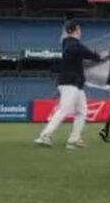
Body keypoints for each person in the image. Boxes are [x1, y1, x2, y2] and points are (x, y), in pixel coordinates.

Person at [36, 21, 104, 149]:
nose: (81, 31)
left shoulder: (68, 44)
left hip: (74, 83)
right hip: (70, 82)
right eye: (79, 29)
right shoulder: (74, 45)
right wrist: (97, 55)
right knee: (64, 110)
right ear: (75, 30)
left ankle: (74, 139)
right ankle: (44, 135)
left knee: (82, 111)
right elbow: (90, 54)